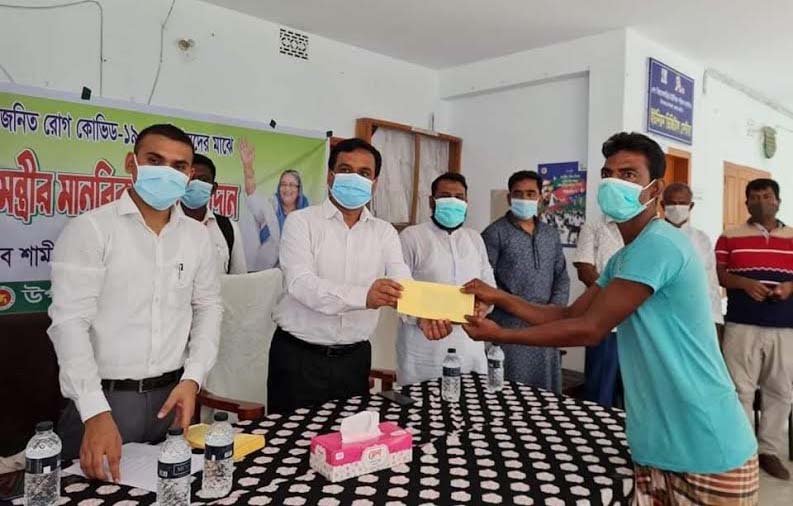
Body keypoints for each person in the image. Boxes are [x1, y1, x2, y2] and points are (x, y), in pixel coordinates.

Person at [462, 132, 758, 505]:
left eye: (629, 174)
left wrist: (500, 334)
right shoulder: (624, 257)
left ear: (655, 189)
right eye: (608, 173)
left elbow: (590, 329)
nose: (614, 182)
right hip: (656, 446)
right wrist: (499, 296)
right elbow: (570, 313)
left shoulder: (659, 244)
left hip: (705, 446)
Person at [48, 124, 223, 482]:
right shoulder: (91, 229)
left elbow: (208, 307)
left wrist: (193, 378)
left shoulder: (197, 237)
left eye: (178, 166)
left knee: (172, 493)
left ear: (189, 174)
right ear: (132, 163)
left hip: (172, 399)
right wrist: (94, 411)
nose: (166, 172)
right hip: (104, 402)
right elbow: (69, 324)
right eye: (155, 160)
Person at [268, 138, 451, 413]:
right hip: (299, 358)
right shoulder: (301, 222)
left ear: (374, 183)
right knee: (290, 438)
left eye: (364, 173)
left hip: (354, 360)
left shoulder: (384, 232)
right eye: (346, 170)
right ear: (330, 176)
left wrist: (422, 315)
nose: (355, 178)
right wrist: (365, 296)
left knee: (350, 438)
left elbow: (402, 282)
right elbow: (301, 284)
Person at [716, 177, 793, 481]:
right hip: (741, 324)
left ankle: (769, 451)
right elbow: (721, 275)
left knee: (781, 390)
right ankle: (744, 451)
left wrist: (789, 287)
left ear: (778, 201)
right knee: (739, 390)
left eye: (767, 196)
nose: (762, 202)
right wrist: (744, 283)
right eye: (755, 197)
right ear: (746, 202)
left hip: (785, 326)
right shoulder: (729, 236)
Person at [397, 172, 495, 385]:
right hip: (423, 349)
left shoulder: (474, 239)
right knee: (422, 403)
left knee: (472, 401)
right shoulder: (412, 237)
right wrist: (421, 318)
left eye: (459, 197)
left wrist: (484, 306)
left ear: (466, 201)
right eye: (445, 196)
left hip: (470, 345)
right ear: (431, 201)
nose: (453, 201)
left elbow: (489, 286)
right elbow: (400, 291)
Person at [481, 170, 569, 392]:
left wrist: (553, 311)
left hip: (546, 324)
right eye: (518, 193)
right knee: (512, 391)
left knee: (546, 391)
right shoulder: (494, 233)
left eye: (530, 193)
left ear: (540, 197)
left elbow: (561, 276)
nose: (524, 198)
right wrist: (515, 307)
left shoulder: (550, 234)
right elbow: (485, 280)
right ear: (509, 197)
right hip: (509, 326)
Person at [573, 216, 624, 407]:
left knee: (633, 393)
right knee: (600, 392)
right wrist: (615, 297)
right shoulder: (594, 227)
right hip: (604, 323)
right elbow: (585, 270)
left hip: (636, 324)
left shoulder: (645, 229)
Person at [240, 138, 309, 271]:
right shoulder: (270, 206)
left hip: (296, 271)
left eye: (292, 185)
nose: (287, 189)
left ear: (299, 189)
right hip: (267, 271)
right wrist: (247, 167)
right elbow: (252, 195)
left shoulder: (307, 212)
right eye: (283, 184)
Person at [661, 182, 723, 327]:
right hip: (660, 314)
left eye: (682, 203)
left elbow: (710, 281)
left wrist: (715, 318)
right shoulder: (651, 235)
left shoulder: (701, 240)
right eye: (672, 203)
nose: (677, 207)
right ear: (662, 205)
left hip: (694, 314)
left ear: (691, 206)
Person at [181, 153, 247, 274]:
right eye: (191, 178)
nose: (195, 184)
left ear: (214, 188)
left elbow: (239, 277)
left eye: (203, 180)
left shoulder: (227, 227)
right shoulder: (164, 222)